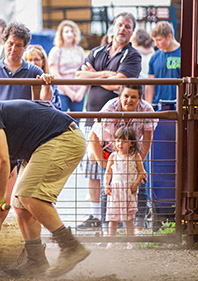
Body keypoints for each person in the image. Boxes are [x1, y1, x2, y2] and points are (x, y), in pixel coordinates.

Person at [0, 96, 89, 278]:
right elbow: (9, 176)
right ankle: (37, 263)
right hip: (46, 144)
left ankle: (70, 246)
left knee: (28, 194)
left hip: (62, 138)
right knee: (20, 203)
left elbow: (0, 162)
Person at [0, 22, 54, 203]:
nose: (13, 49)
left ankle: (13, 221)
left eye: (18, 45)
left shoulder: (34, 71)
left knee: (19, 186)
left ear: (24, 47)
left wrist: (46, 83)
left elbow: (44, 100)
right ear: (4, 43)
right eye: (10, 44)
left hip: (22, 135)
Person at [75, 12, 141, 228]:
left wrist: (95, 74)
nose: (123, 29)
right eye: (120, 24)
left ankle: (121, 217)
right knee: (93, 168)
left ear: (132, 31)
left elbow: (120, 84)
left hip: (117, 124)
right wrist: (105, 74)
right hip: (91, 119)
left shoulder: (132, 56)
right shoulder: (97, 51)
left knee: (120, 167)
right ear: (113, 27)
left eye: (128, 26)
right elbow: (78, 76)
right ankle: (96, 216)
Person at [88, 85, 157, 232]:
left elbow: (147, 140)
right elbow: (94, 136)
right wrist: (104, 163)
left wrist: (138, 164)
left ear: (140, 98)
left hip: (135, 151)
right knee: (108, 188)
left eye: (133, 97)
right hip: (110, 150)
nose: (129, 100)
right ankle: (108, 230)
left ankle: (138, 229)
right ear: (120, 96)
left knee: (140, 185)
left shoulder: (146, 110)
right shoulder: (110, 109)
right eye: (126, 96)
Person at [104, 126, 145, 249]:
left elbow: (141, 172)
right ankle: (112, 241)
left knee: (129, 218)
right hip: (115, 190)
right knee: (113, 218)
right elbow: (108, 172)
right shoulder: (113, 156)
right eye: (117, 141)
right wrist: (106, 185)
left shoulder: (135, 156)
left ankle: (130, 241)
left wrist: (135, 184)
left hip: (128, 190)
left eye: (124, 141)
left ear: (131, 143)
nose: (120, 144)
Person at [48, 20, 87, 114]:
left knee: (76, 122)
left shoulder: (80, 51)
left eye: (72, 31)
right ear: (61, 34)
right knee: (61, 119)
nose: (70, 34)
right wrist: (68, 91)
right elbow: (54, 72)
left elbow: (86, 71)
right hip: (62, 92)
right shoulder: (56, 51)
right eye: (66, 32)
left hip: (78, 92)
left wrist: (82, 91)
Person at [145, 21, 180, 104]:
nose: (156, 44)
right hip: (158, 105)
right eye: (155, 40)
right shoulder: (154, 57)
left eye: (159, 40)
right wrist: (149, 107)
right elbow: (150, 84)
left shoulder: (185, 54)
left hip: (179, 105)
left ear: (169, 36)